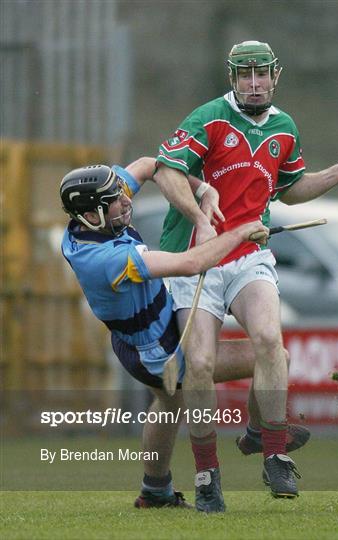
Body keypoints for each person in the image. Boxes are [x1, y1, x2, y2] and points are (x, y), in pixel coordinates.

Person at [153, 40, 338, 506]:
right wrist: (197, 214)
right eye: (244, 75)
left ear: (276, 76)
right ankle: (207, 474)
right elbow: (166, 171)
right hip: (196, 259)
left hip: (250, 255)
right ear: (232, 78)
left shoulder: (284, 128)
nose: (253, 83)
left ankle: (274, 453)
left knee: (271, 341)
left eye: (261, 74)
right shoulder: (209, 118)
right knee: (202, 365)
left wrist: (336, 173)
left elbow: (291, 189)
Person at [59, 157, 310, 513]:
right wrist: (238, 233)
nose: (126, 200)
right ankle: (257, 434)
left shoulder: (90, 220)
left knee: (168, 404)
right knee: (273, 358)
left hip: (135, 340)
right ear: (92, 214)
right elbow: (192, 263)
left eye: (121, 191)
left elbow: (150, 164)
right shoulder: (106, 259)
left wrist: (204, 189)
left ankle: (155, 490)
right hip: (158, 348)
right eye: (116, 199)